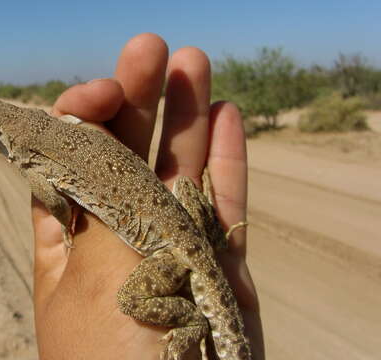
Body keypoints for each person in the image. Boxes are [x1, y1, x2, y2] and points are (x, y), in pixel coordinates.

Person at [31, 33, 264, 360]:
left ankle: (190, 322)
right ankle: (214, 236)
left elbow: (55, 204)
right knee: (185, 184)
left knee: (130, 301)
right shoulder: (45, 136)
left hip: (174, 252)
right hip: (192, 239)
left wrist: (67, 222)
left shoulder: (33, 159)